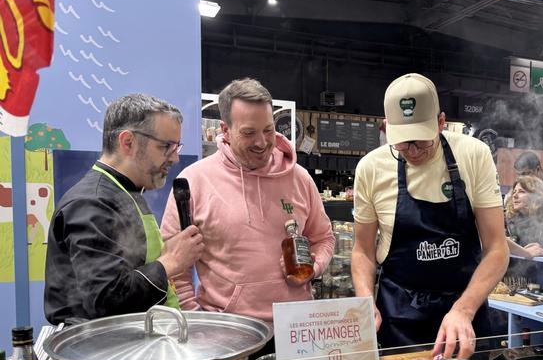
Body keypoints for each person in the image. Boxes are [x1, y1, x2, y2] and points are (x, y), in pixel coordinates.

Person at [352, 73, 510, 360]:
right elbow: (362, 251)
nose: (412, 151)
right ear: (386, 128)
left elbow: (497, 250)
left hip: (464, 313)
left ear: (441, 122)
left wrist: (463, 310)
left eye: (421, 141)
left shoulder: (474, 155)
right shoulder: (370, 168)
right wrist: (365, 301)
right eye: (402, 143)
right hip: (398, 316)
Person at [160, 78, 335, 324]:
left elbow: (324, 238)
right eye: (249, 133)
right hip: (227, 333)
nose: (262, 142)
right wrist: (195, 319)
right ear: (225, 130)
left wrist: (313, 268)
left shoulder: (299, 178)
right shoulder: (194, 181)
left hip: (296, 328)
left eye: (268, 130)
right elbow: (173, 260)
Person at [44, 94, 204, 326]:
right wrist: (169, 262)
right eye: (166, 147)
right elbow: (106, 300)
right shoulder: (92, 202)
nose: (176, 157)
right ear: (128, 142)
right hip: (98, 353)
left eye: (176, 147)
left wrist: (164, 254)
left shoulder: (127, 191)